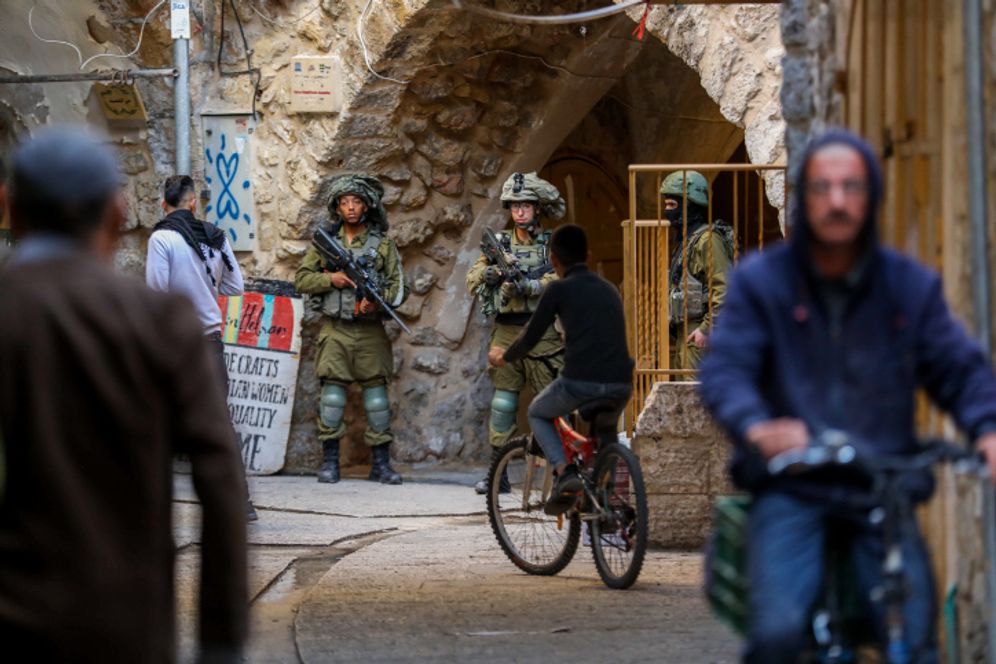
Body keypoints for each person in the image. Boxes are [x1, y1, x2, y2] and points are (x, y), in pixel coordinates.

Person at [698, 129, 996, 663]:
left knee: (915, 637)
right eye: (823, 187)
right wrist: (756, 425)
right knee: (779, 634)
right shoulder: (761, 283)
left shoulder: (907, 286)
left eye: (851, 187)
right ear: (803, 199)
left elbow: (958, 366)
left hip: (879, 486)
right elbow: (728, 369)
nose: (837, 201)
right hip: (792, 485)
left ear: (871, 197)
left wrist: (987, 427)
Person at [0, 128, 248, 662]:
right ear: (115, 214)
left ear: (10, 212)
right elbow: (221, 483)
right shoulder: (158, 324)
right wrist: (222, 641)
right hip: (120, 619)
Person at [489, 224, 634, 515]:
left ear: (554, 259)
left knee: (538, 412)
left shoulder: (558, 289)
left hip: (581, 381)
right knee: (604, 432)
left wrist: (505, 356)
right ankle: (606, 506)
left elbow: (531, 336)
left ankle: (564, 472)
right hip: (620, 383)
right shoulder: (608, 290)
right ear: (588, 256)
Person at [146, 174, 257, 522]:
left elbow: (156, 292)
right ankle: (242, 502)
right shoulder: (216, 237)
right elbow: (235, 288)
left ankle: (149, 504)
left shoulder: (162, 237)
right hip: (209, 342)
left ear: (165, 204)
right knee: (218, 423)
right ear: (193, 202)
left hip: (174, 342)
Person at [295, 174, 408, 485]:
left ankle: (381, 465)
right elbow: (302, 278)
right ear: (337, 207)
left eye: (356, 201)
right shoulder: (325, 244)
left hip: (370, 331)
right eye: (344, 202)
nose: (351, 208)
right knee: (331, 397)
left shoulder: (382, 245)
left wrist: (377, 302)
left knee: (376, 399)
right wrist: (332, 279)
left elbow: (400, 288)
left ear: (367, 206)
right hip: (335, 329)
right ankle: (330, 462)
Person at [467, 171, 566, 494]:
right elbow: (473, 277)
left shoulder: (551, 244)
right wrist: (494, 273)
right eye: (514, 207)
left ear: (537, 209)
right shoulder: (500, 244)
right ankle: (500, 474)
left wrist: (534, 285)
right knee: (503, 403)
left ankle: (562, 471)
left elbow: (564, 277)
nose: (520, 212)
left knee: (552, 402)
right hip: (507, 331)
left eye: (526, 206)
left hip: (543, 333)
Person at [660, 170, 734, 371]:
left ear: (689, 206)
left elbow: (725, 288)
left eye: (672, 205)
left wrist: (707, 328)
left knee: (697, 394)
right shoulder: (687, 241)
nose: (667, 212)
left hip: (699, 329)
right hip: (685, 329)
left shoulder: (708, 240)